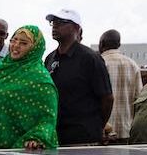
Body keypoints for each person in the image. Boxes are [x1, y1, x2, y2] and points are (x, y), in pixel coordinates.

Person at [0, 24, 58, 151]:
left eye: (23, 43)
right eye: (13, 41)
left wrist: (36, 137)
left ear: (35, 48)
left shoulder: (40, 80)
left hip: (22, 154)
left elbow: (47, 119)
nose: (16, 45)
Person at [43, 9, 112, 145]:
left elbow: (107, 98)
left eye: (61, 22)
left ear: (76, 28)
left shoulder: (90, 58)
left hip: (83, 138)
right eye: (53, 22)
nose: (55, 26)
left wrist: (97, 126)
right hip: (56, 135)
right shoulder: (50, 58)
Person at [97, 28, 141, 143]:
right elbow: (139, 99)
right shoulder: (133, 65)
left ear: (101, 44)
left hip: (104, 130)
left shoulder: (99, 63)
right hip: (126, 129)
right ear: (119, 44)